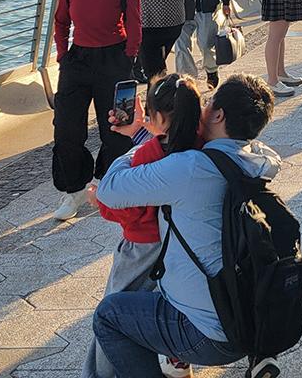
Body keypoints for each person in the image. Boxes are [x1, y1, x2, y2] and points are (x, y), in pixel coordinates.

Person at [93, 74, 279, 377]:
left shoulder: (191, 168)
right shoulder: (255, 159)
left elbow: (110, 189)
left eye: (208, 103)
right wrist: (148, 133)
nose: (201, 109)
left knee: (109, 315)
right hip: (248, 320)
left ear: (218, 115)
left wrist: (147, 139)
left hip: (208, 335)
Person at [84, 74, 203, 378]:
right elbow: (169, 146)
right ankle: (176, 362)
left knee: (111, 313)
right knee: (166, 306)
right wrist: (139, 131)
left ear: (158, 118)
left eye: (150, 114)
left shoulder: (146, 157)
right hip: (184, 247)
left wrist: (100, 199)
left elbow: (126, 209)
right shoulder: (203, 146)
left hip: (142, 250)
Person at [50, 0, 143, 221]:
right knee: (66, 129)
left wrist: (128, 59)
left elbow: (134, 24)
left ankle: (106, 181)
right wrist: (63, 55)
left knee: (116, 129)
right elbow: (61, 21)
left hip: (115, 61)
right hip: (76, 62)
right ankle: (74, 190)